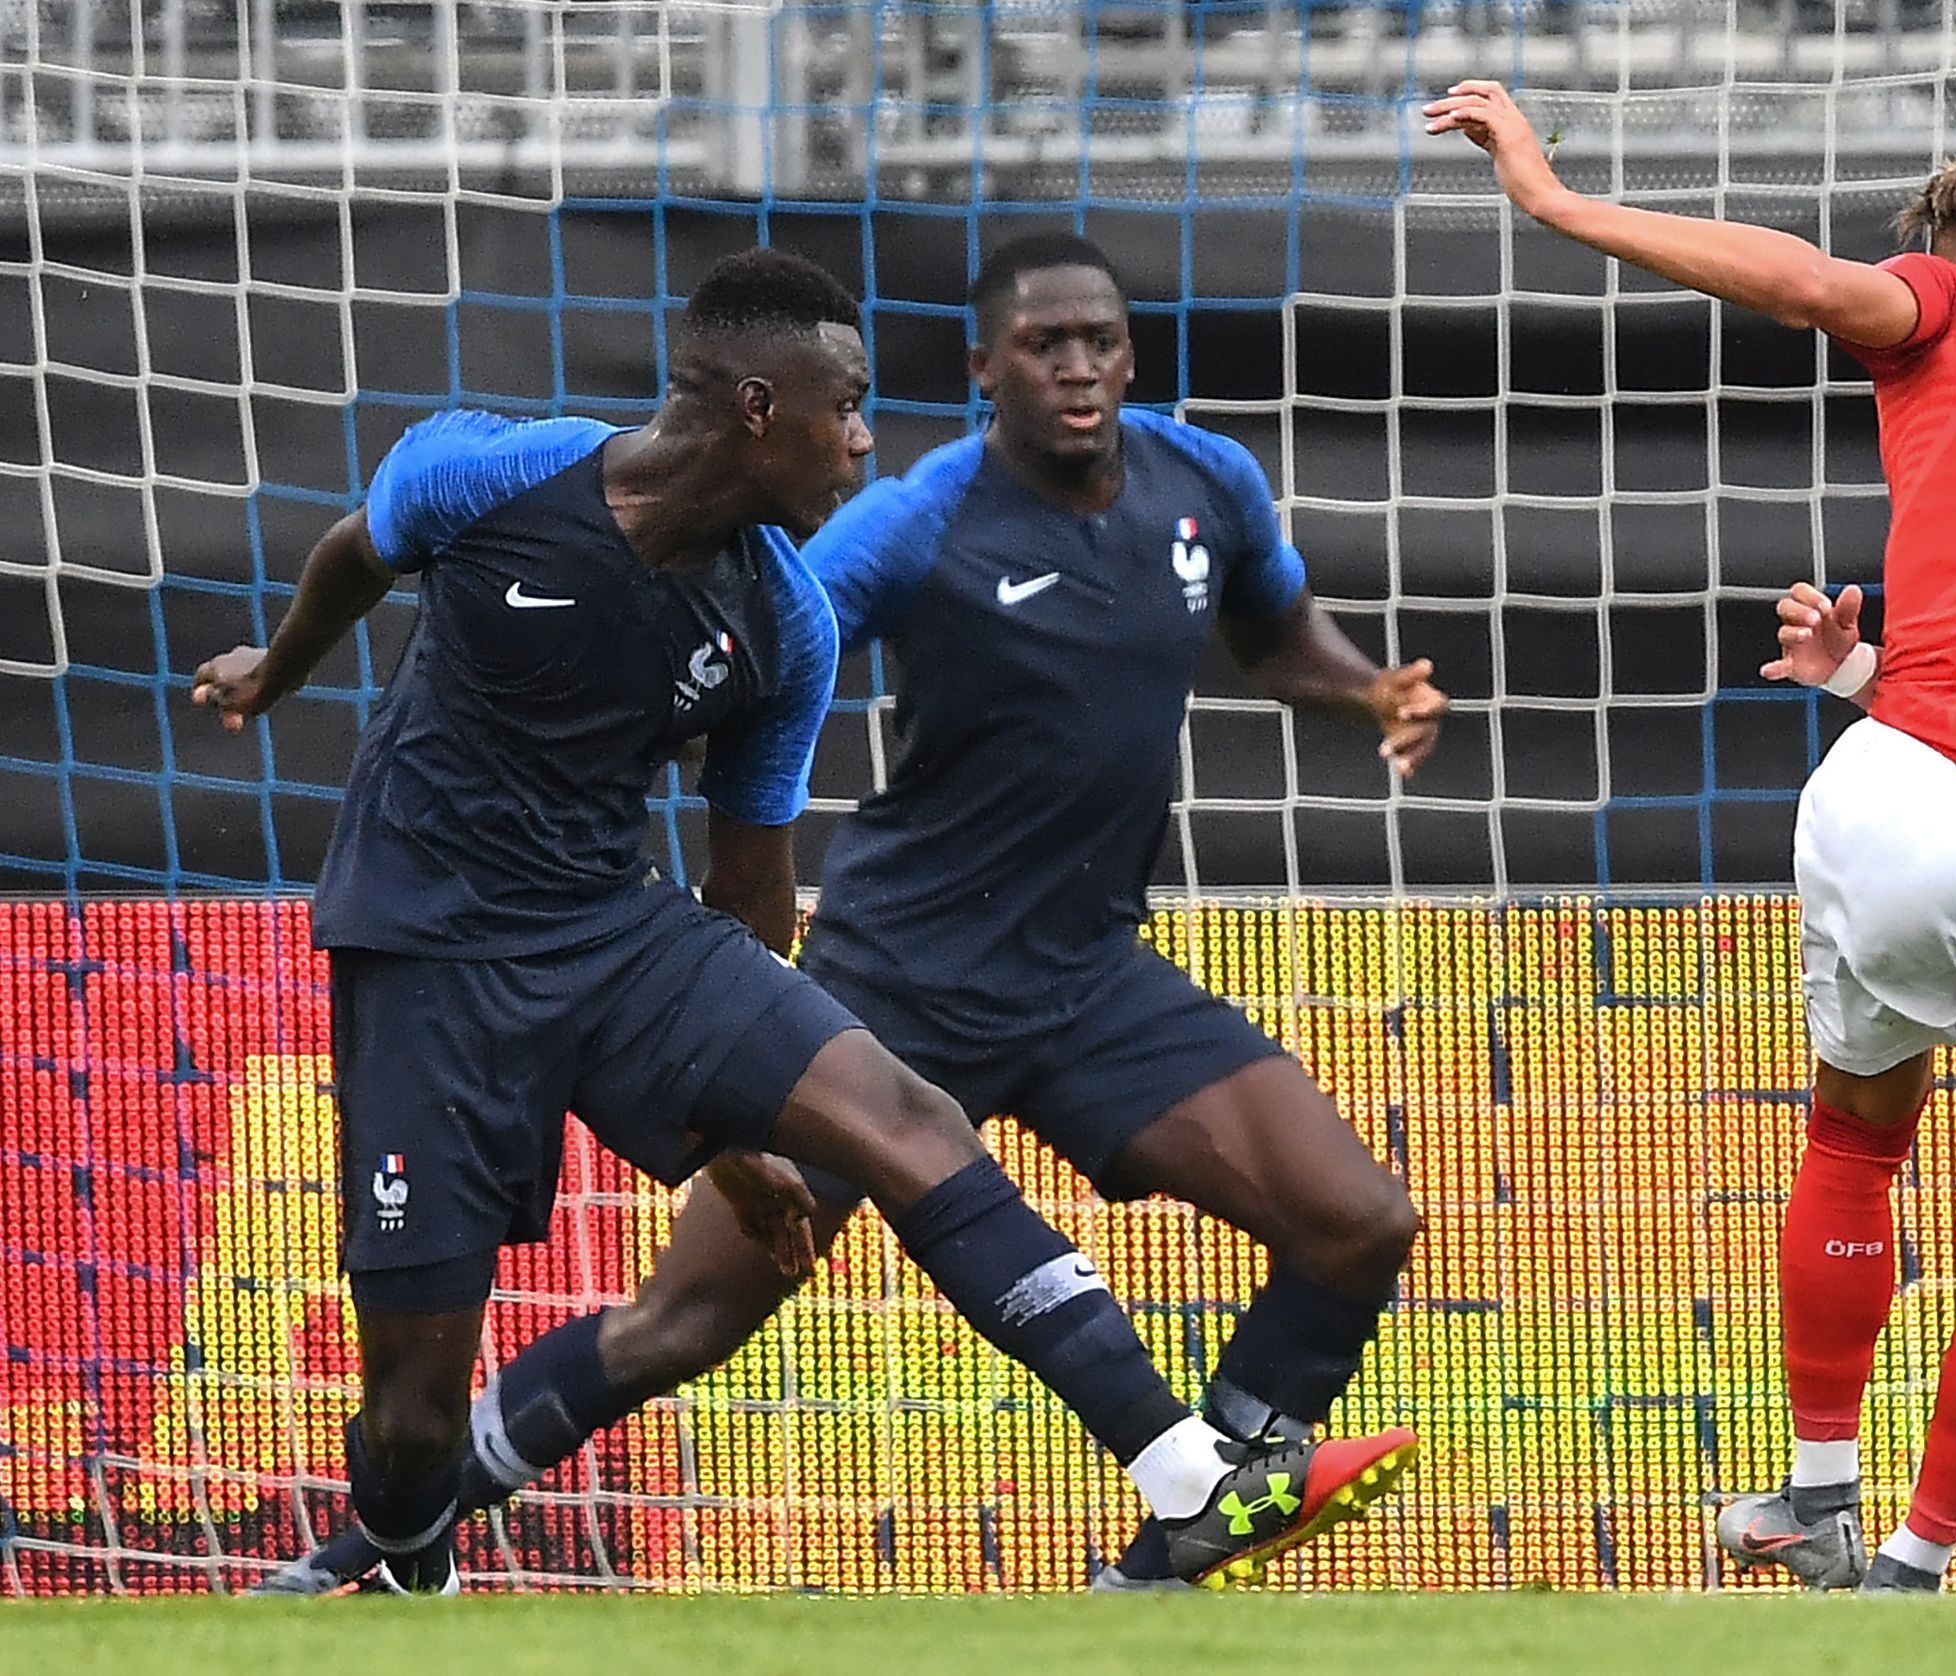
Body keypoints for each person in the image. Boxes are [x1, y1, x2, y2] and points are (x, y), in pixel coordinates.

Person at [203, 246, 1414, 1597]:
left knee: (937, 1132)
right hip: (437, 954)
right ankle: (394, 1553)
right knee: (429, 1411)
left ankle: (1182, 1487)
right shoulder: (494, 472)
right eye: (842, 408)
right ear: (758, 408)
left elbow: (749, 890)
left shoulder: (786, 618)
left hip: (653, 937)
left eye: (1102, 340)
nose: (860, 439)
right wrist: (275, 665)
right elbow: (353, 556)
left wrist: (734, 1123)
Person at [1427, 86, 1956, 1592]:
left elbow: (1802, 283)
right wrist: (1876, 670)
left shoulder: (1953, 310)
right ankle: (1916, 1570)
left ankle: (1813, 1490)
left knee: (1856, 1132)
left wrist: (1556, 202)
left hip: (1912, 796)